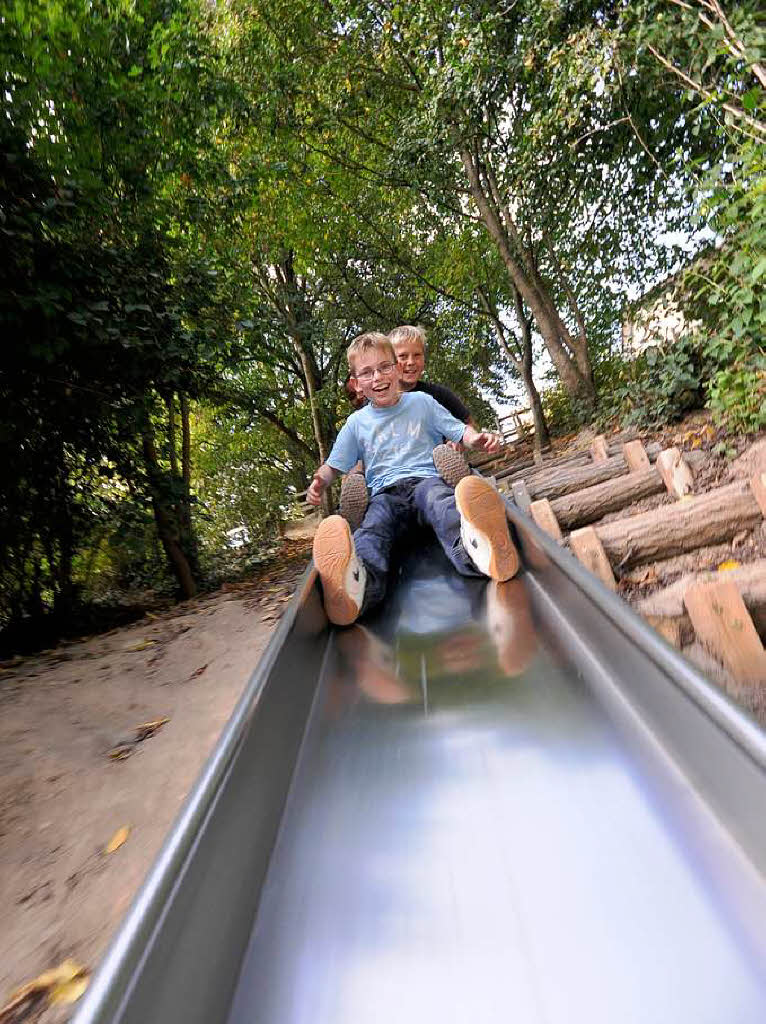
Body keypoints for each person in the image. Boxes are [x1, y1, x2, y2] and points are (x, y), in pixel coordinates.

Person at [307, 332, 519, 626]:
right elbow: (334, 466)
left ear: (396, 369)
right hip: (385, 494)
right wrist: (320, 481)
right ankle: (358, 589)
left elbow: (459, 430)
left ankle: (481, 551)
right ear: (356, 383)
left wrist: (478, 440)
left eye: (384, 367)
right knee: (372, 531)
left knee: (444, 507)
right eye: (367, 373)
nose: (378, 377)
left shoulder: (422, 402)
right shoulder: (356, 424)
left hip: (425, 481)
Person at [339, 324, 473, 528]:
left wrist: (455, 442)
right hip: (393, 482)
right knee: (362, 468)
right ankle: (358, 510)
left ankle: (464, 493)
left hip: (431, 474)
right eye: (403, 357)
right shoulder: (372, 408)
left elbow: (466, 427)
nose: (411, 362)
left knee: (440, 485)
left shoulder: (434, 396)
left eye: (417, 355)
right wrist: (354, 473)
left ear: (424, 359)